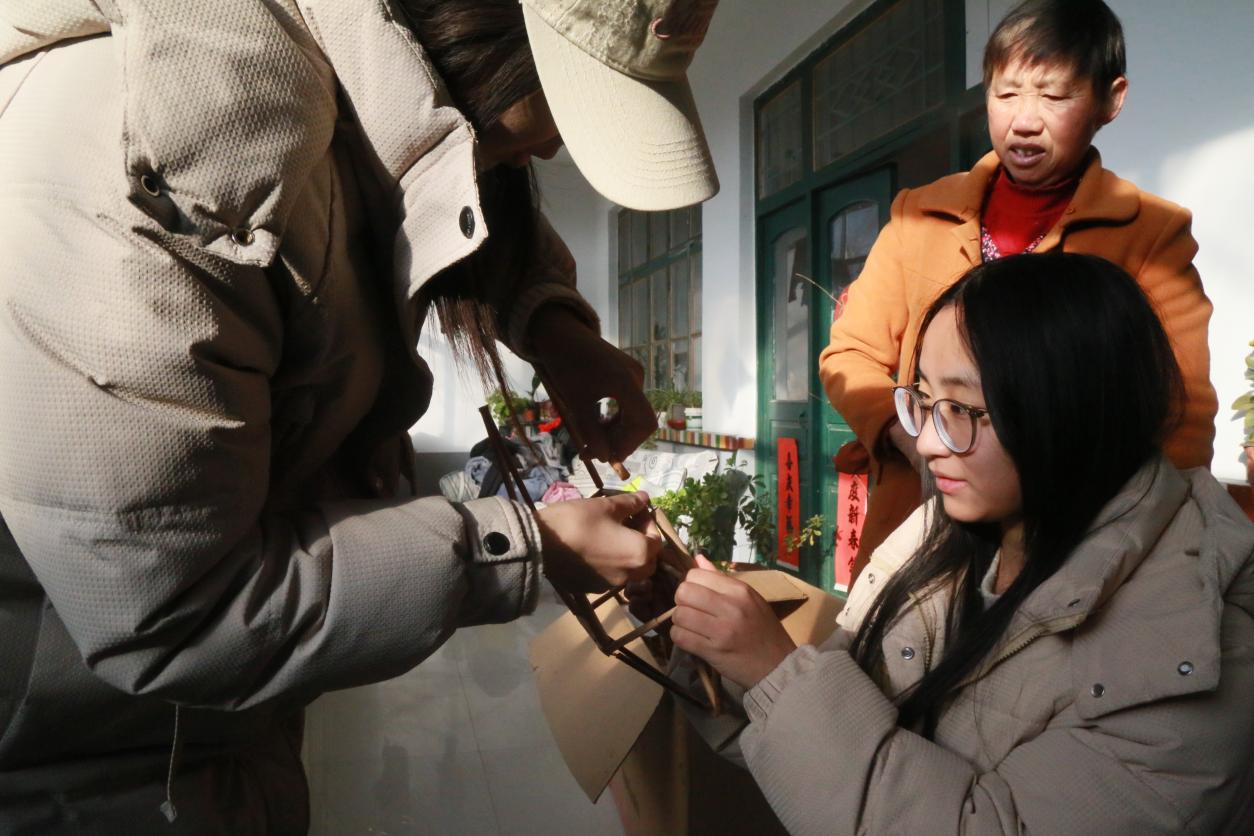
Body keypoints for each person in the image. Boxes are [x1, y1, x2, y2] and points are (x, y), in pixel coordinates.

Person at [0, 0, 719, 830]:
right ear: (476, 25)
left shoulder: (342, 81)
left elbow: (426, 184)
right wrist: (528, 545)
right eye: (564, 100)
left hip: (210, 736)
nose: (556, 146)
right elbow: (173, 617)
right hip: (76, 758)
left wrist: (551, 323)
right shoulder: (161, 176)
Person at [664, 253, 1254, 834]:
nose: (925, 444)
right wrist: (699, 633)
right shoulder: (942, 536)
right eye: (923, 401)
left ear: (1074, 409)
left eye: (962, 408)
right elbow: (825, 767)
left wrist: (776, 673)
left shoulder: (1189, 649)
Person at [819, 0, 1218, 583]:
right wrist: (914, 439)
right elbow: (850, 354)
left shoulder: (1149, 234)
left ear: (1111, 100)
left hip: (1071, 545)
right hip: (919, 521)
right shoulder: (918, 216)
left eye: (1054, 97)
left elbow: (1181, 413)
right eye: (1005, 94)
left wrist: (1133, 555)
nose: (1024, 121)